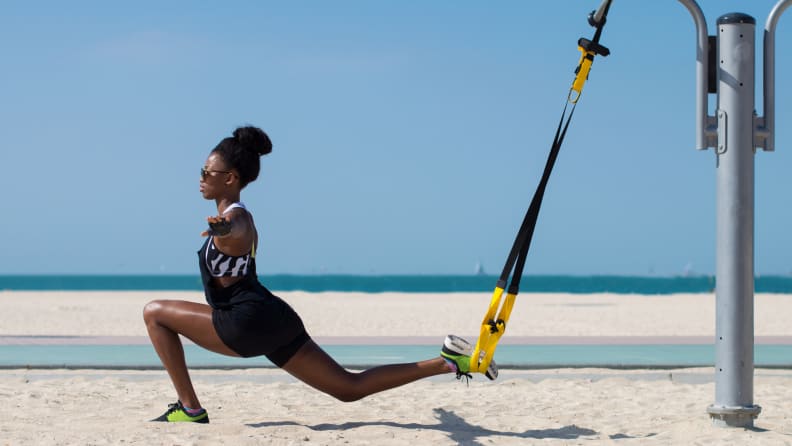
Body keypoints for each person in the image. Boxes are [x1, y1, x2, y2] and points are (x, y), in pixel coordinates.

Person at [143, 126, 497, 423]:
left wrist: (223, 230)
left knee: (154, 313)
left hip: (243, 322)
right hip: (274, 318)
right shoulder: (241, 214)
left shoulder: (238, 218)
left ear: (230, 178)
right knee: (348, 388)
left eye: (207, 172)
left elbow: (237, 229)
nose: (201, 178)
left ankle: (190, 408)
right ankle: (448, 362)